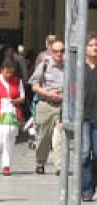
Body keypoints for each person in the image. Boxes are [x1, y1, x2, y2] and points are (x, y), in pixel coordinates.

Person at [29, 35, 65, 174]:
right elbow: (34, 85)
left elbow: (74, 86)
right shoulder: (44, 65)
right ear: (51, 51)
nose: (59, 54)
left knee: (59, 137)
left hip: (62, 105)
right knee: (43, 137)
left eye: (62, 51)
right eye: (56, 51)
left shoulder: (70, 67)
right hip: (45, 104)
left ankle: (59, 165)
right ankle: (40, 161)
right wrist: (48, 93)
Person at [82, 35, 97, 202]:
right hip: (84, 117)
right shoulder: (80, 68)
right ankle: (86, 189)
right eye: (91, 45)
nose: (94, 48)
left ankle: (92, 183)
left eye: (96, 45)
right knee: (85, 153)